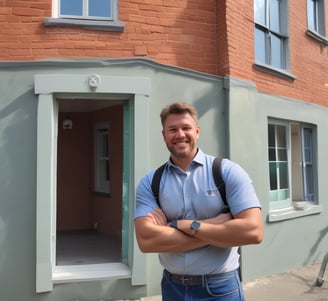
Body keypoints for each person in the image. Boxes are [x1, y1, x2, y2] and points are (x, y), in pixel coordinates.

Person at [134, 102, 263, 301]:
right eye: (172, 129)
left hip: (220, 288)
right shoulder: (150, 182)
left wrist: (180, 225)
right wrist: (220, 227)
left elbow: (253, 232)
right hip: (172, 288)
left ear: (197, 131)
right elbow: (146, 241)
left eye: (186, 128)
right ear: (164, 135)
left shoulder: (227, 172)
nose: (180, 134)